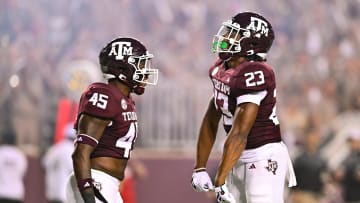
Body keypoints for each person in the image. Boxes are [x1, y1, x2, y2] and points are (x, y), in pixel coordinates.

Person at [191, 12, 297, 203]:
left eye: (234, 34)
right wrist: (200, 167)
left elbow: (240, 134)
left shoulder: (256, 72)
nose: (225, 37)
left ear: (251, 44)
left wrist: (220, 180)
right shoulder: (222, 68)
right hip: (238, 157)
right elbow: (211, 119)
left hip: (263, 156)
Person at [65, 37, 158, 203]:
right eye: (140, 64)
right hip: (96, 181)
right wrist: (88, 194)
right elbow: (81, 153)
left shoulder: (124, 100)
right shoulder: (104, 96)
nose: (145, 71)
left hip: (110, 185)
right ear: (123, 68)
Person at [43, 123, 76, 203]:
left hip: (52, 192)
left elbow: (44, 164)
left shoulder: (54, 148)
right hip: (65, 194)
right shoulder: (72, 150)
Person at [0, 129, 28, 203]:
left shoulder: (1, 152)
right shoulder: (19, 155)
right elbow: (22, 172)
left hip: (1, 192)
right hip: (16, 193)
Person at [334, 130, 360, 203]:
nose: (352, 144)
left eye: (355, 141)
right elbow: (338, 174)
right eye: (351, 141)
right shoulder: (347, 157)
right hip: (347, 197)